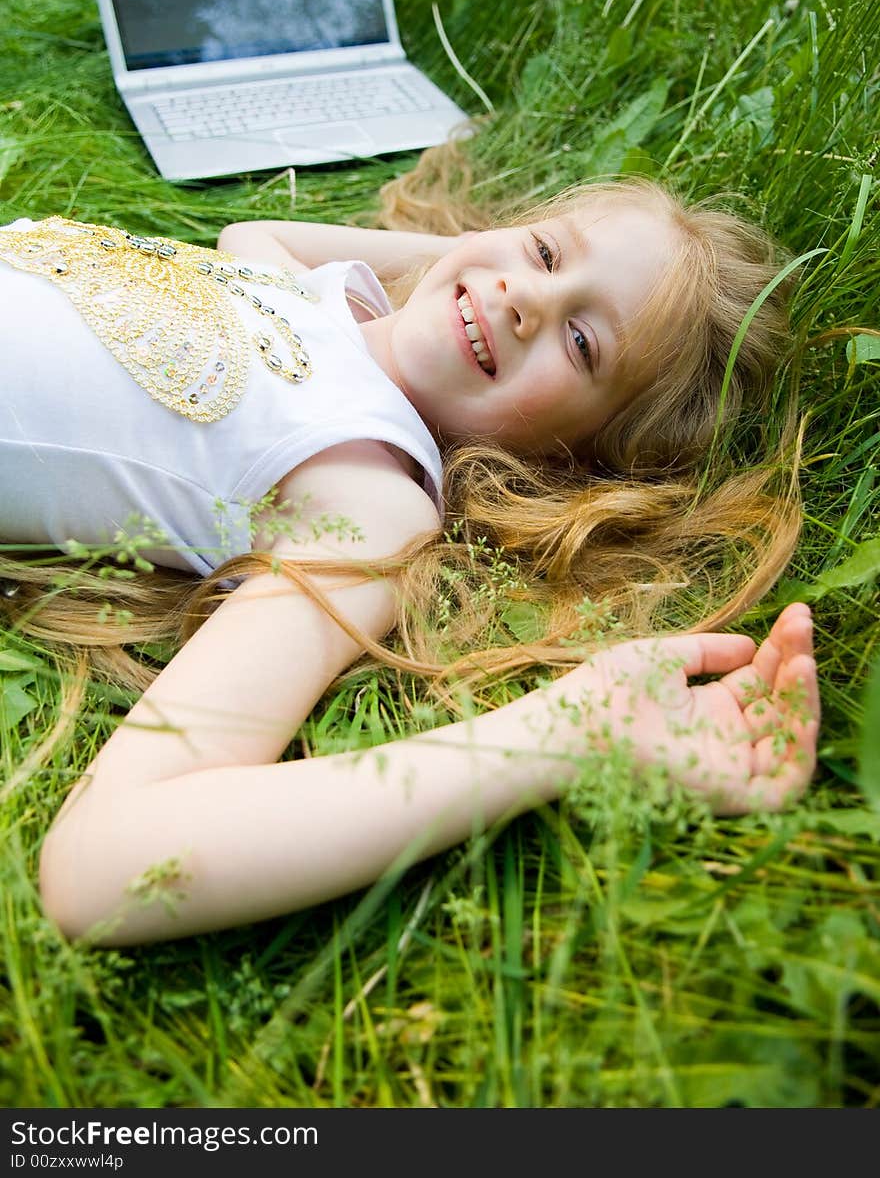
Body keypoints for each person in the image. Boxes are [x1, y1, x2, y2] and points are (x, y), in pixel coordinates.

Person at [0, 156, 820, 946]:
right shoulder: (314, 296)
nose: (524, 297)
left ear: (574, 457)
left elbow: (104, 863)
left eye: (582, 343)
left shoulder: (370, 490)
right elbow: (252, 231)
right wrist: (479, 259)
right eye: (545, 249)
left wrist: (570, 731)